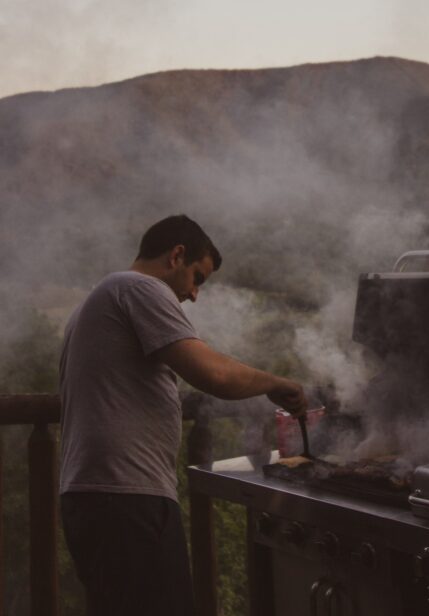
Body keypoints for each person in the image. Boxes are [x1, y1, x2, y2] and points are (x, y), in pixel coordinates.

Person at [58, 214, 307, 616]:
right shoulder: (137, 288)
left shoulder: (94, 301)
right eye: (197, 277)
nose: (194, 294)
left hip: (94, 498)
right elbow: (214, 374)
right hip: (127, 500)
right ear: (176, 256)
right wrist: (275, 382)